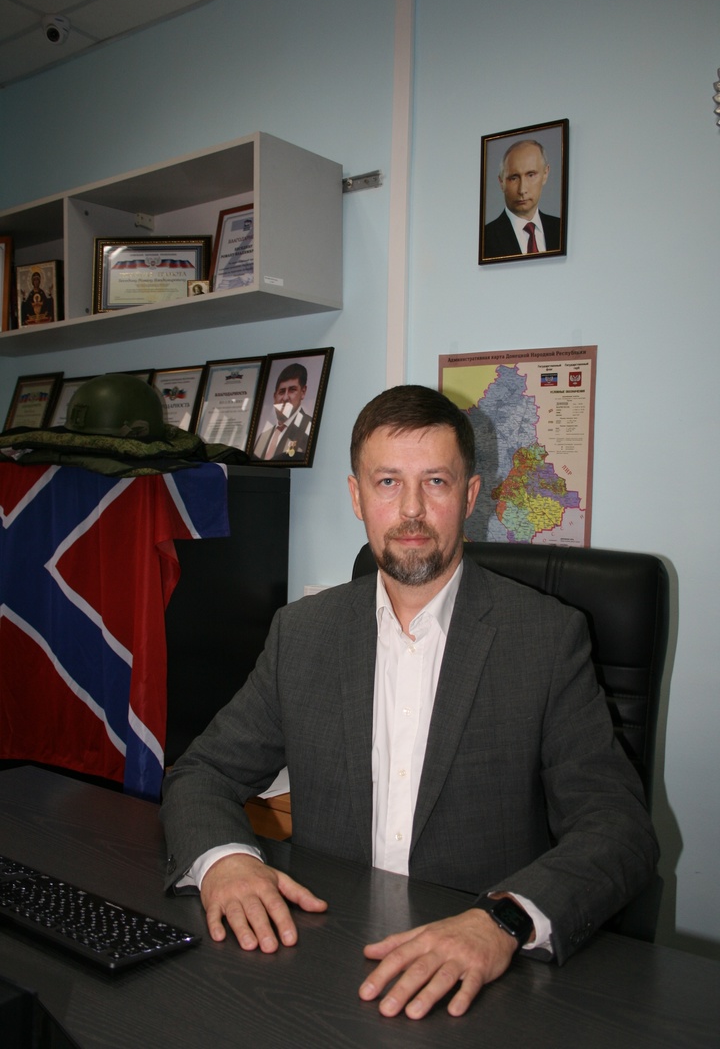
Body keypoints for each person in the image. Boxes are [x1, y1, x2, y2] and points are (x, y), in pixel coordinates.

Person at [161, 384, 657, 1020]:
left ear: (469, 497)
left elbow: (617, 828)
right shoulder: (302, 634)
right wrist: (226, 862)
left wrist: (503, 920)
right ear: (357, 497)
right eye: (389, 482)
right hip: (325, 959)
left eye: (436, 482)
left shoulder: (546, 639)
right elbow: (203, 772)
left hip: (482, 983)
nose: (413, 510)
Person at [483, 139, 562, 259]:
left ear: (545, 174)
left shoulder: (561, 229)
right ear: (501, 182)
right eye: (514, 178)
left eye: (531, 175)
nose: (522, 190)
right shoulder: (485, 238)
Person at [251, 362, 312, 461]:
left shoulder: (310, 428)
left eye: (292, 390)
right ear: (274, 396)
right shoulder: (263, 437)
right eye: (282, 391)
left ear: (303, 392)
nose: (285, 397)